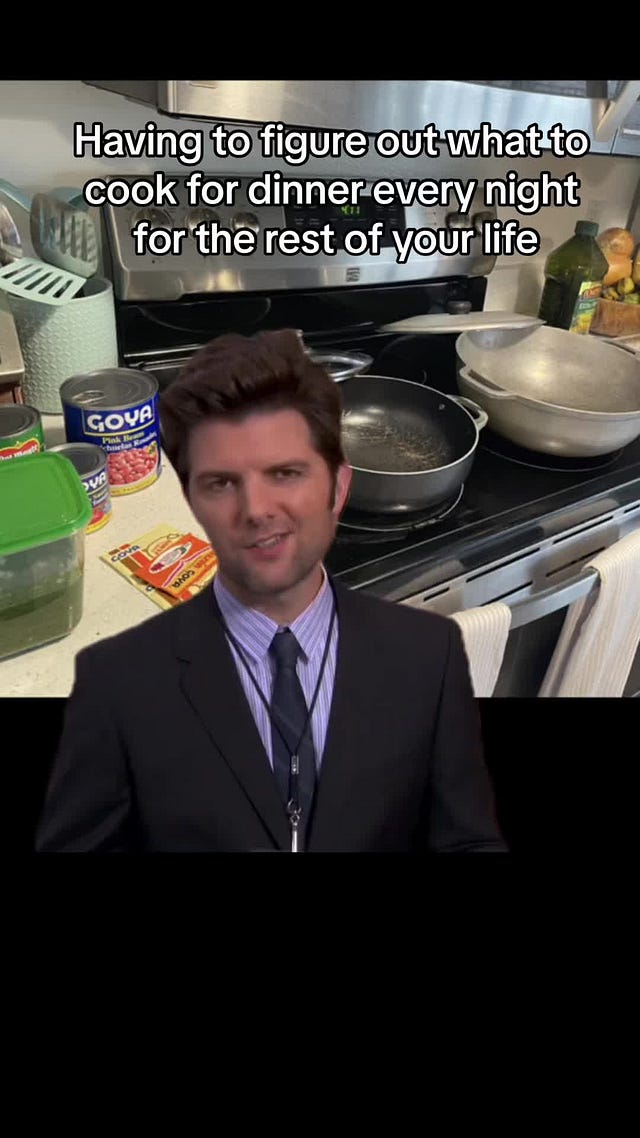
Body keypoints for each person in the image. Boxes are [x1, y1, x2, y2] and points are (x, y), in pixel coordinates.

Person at [35, 329, 507, 853]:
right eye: (221, 482)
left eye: (285, 473)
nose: (256, 510)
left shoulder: (431, 655)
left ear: (338, 488)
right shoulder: (116, 683)